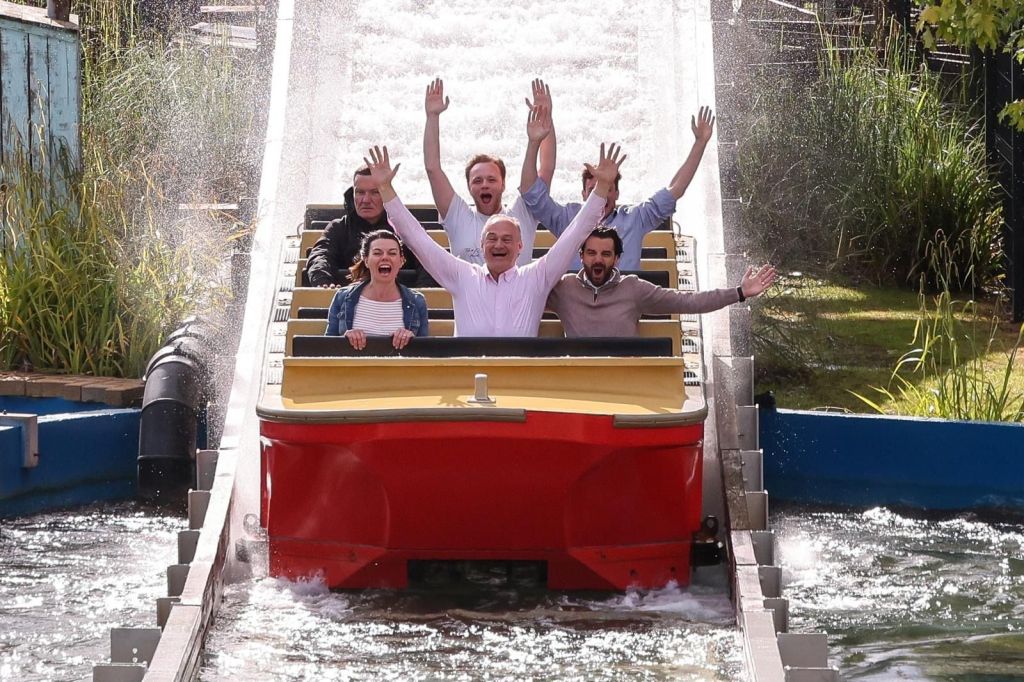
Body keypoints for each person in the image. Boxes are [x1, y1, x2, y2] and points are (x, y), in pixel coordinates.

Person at [365, 135, 623, 337]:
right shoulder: (462, 275)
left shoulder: (537, 277)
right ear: (481, 243)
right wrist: (385, 189)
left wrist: (601, 188)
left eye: (507, 239)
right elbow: (415, 237)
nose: (499, 244)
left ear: (520, 246)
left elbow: (577, 232)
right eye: (492, 238)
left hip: (519, 384)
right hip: (467, 383)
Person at [520, 95, 716, 271]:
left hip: (620, 306)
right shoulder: (567, 218)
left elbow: (675, 189)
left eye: (607, 188)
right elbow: (532, 193)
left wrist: (700, 143)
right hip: (577, 306)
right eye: (594, 189)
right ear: (583, 195)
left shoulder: (634, 219)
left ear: (617, 194)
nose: (601, 195)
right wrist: (535, 140)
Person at [548, 226, 777, 337]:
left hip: (625, 380)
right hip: (577, 378)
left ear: (617, 259)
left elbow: (687, 302)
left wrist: (739, 292)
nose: (598, 260)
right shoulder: (564, 288)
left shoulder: (633, 289)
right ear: (581, 256)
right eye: (591, 253)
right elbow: (520, 295)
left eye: (606, 254)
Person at [422, 78, 554, 266]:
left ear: (503, 184)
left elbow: (546, 169)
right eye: (477, 180)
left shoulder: (521, 213)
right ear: (468, 187)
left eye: (491, 179)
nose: (484, 184)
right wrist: (432, 117)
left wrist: (546, 118)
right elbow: (432, 168)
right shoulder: (458, 216)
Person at [304, 166, 428, 288]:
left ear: (386, 194)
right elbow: (320, 255)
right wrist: (322, 282)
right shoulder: (338, 228)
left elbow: (428, 260)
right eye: (360, 192)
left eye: (375, 192)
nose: (366, 200)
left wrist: (422, 293)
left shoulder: (407, 228)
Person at [325, 230, 429, 349]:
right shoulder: (342, 297)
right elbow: (327, 347)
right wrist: (344, 340)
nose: (385, 257)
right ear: (366, 261)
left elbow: (423, 351)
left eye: (392, 253)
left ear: (401, 261)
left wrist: (412, 341)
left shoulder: (417, 301)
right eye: (377, 253)